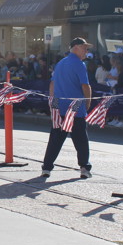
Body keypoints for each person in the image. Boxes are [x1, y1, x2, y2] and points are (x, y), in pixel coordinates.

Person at [41, 37, 94, 180]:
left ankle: (46, 168)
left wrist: (52, 103)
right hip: (75, 108)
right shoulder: (79, 64)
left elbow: (52, 84)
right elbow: (85, 85)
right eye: (84, 48)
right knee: (81, 140)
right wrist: (87, 102)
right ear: (76, 47)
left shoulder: (61, 63)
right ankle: (84, 168)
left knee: (55, 139)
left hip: (60, 107)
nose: (86, 51)